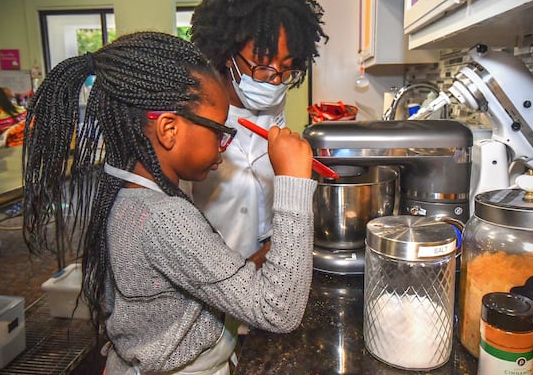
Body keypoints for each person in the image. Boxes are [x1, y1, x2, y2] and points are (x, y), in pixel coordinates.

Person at [22, 31, 316, 375]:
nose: (224, 146)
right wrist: (293, 182)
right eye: (218, 131)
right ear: (168, 129)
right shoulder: (163, 217)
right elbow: (278, 311)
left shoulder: (124, 187)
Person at [188, 0, 328, 266]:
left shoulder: (273, 96)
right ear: (229, 56)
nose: (274, 81)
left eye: (286, 69)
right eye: (263, 67)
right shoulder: (195, 110)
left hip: (263, 262)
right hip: (211, 273)